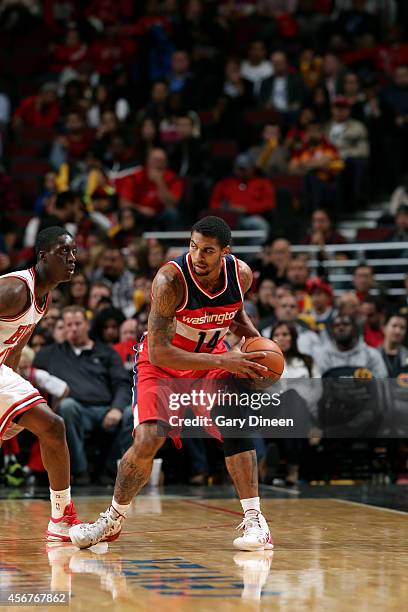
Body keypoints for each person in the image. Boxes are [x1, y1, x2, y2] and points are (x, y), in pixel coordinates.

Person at [69, 216, 273, 550]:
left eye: (208, 250)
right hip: (163, 363)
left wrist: (255, 344)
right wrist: (226, 359)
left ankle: (255, 520)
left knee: (233, 419)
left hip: (210, 360)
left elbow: (232, 311)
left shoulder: (242, 275)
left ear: (225, 252)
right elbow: (160, 353)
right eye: (193, 246)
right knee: (149, 438)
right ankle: (112, 519)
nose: (197, 256)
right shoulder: (169, 281)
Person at [0, 226, 81, 540]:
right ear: (43, 256)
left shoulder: (42, 298)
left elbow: (15, 348)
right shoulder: (15, 290)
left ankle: (62, 517)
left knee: (50, 427)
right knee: (53, 426)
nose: (72, 259)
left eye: (73, 252)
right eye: (64, 252)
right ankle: (62, 517)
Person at [33, 305, 132, 485]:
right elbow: (29, 370)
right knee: (68, 407)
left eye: (77, 323)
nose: (73, 328)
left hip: (106, 410)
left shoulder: (106, 352)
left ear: (86, 325)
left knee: (131, 414)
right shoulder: (51, 354)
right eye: (68, 324)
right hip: (76, 411)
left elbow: (123, 383)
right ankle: (80, 472)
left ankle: (110, 470)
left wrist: (117, 408)